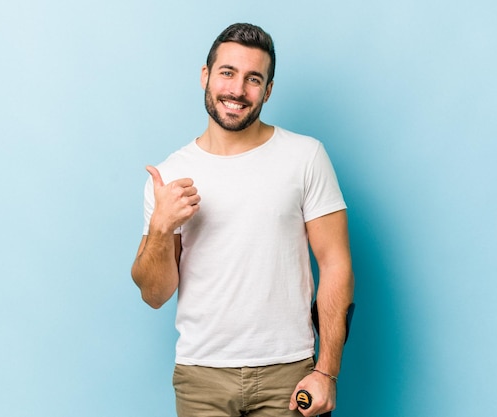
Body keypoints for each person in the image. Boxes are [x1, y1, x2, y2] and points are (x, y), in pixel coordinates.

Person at [131, 22, 354, 417]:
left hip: (290, 373)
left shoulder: (305, 157)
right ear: (206, 76)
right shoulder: (170, 176)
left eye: (254, 79)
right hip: (202, 378)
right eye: (227, 73)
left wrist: (327, 371)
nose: (237, 90)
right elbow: (154, 294)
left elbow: (335, 263)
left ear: (268, 90)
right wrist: (161, 228)